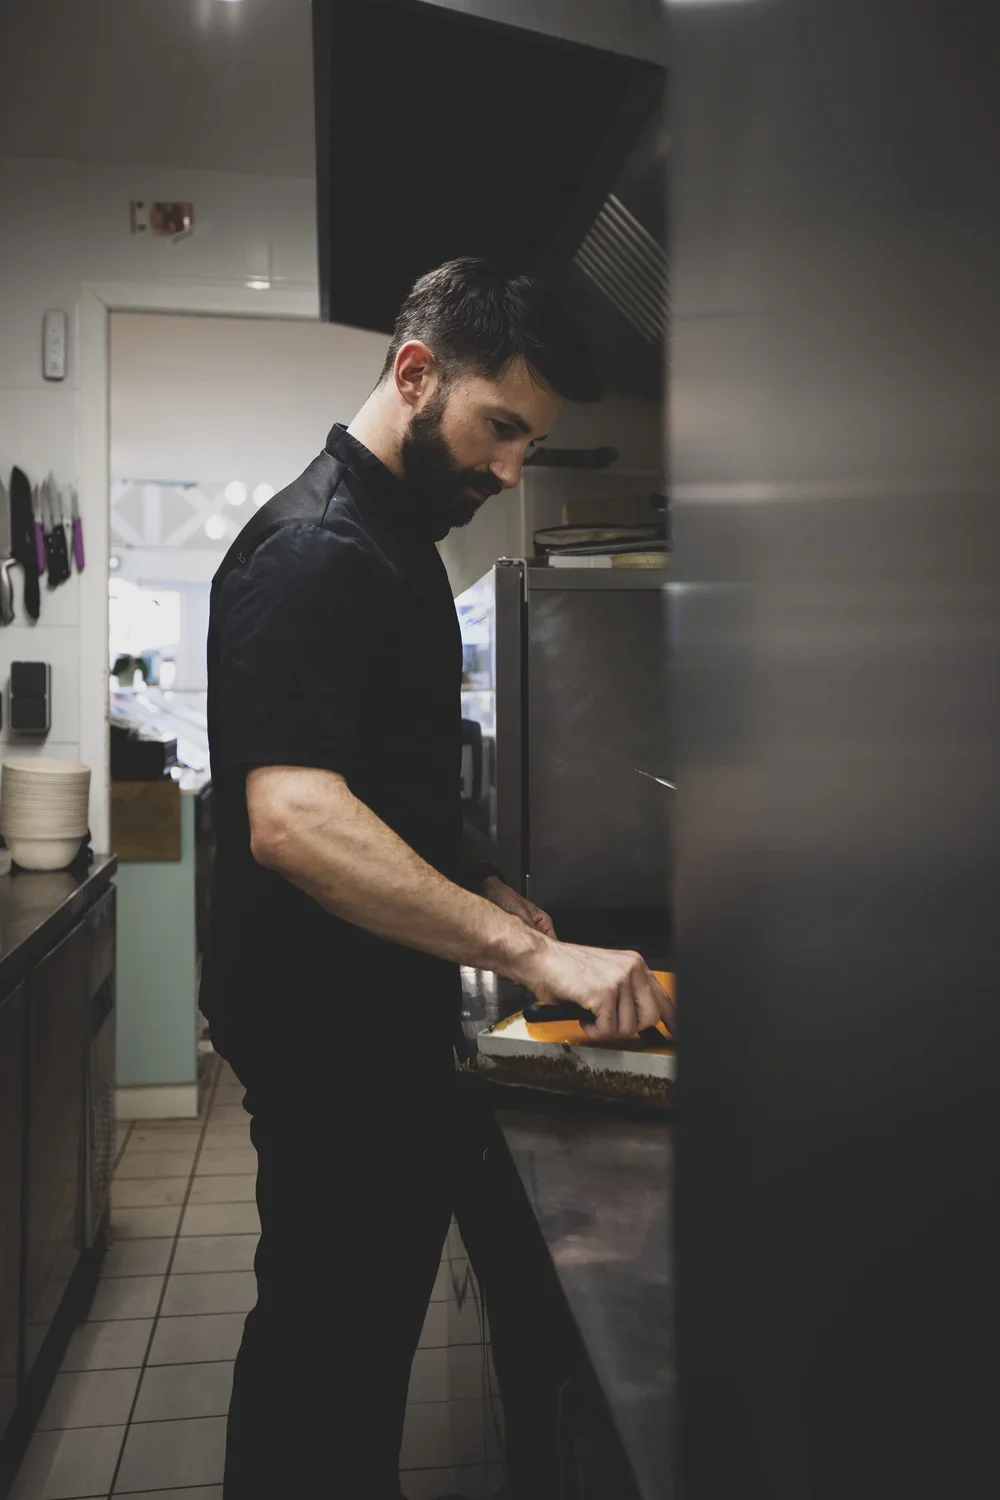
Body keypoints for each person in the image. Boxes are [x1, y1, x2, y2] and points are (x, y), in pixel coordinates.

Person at [202, 257, 674, 1500]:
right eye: (499, 429)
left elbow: (376, 776)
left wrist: (476, 879)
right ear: (416, 375)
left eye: (530, 442)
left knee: (347, 1359)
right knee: (326, 1363)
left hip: (382, 1025)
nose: (511, 470)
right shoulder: (310, 551)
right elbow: (295, 817)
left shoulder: (399, 540)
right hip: (329, 1043)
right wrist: (531, 953)